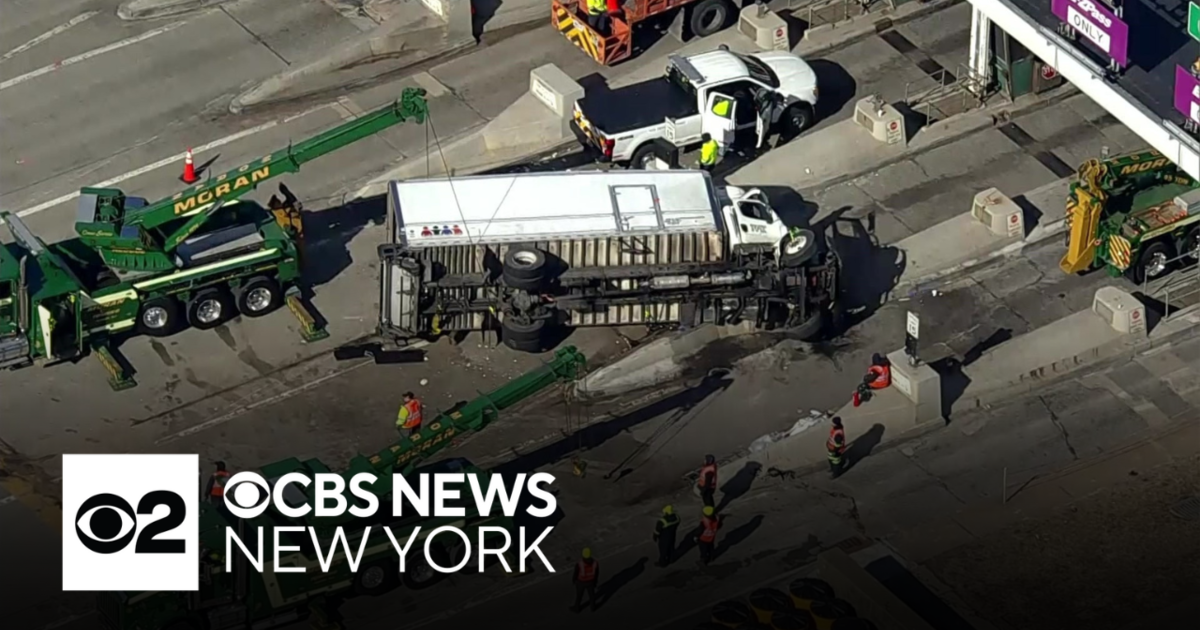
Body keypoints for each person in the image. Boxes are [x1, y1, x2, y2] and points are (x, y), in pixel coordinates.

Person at [571, 548, 600, 612]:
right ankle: (593, 607)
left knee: (579, 596)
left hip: (581, 582)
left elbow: (576, 572)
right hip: (591, 582)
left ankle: (577, 608)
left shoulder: (580, 563)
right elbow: (596, 573)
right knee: (592, 596)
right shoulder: (595, 563)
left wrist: (574, 580)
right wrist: (595, 581)